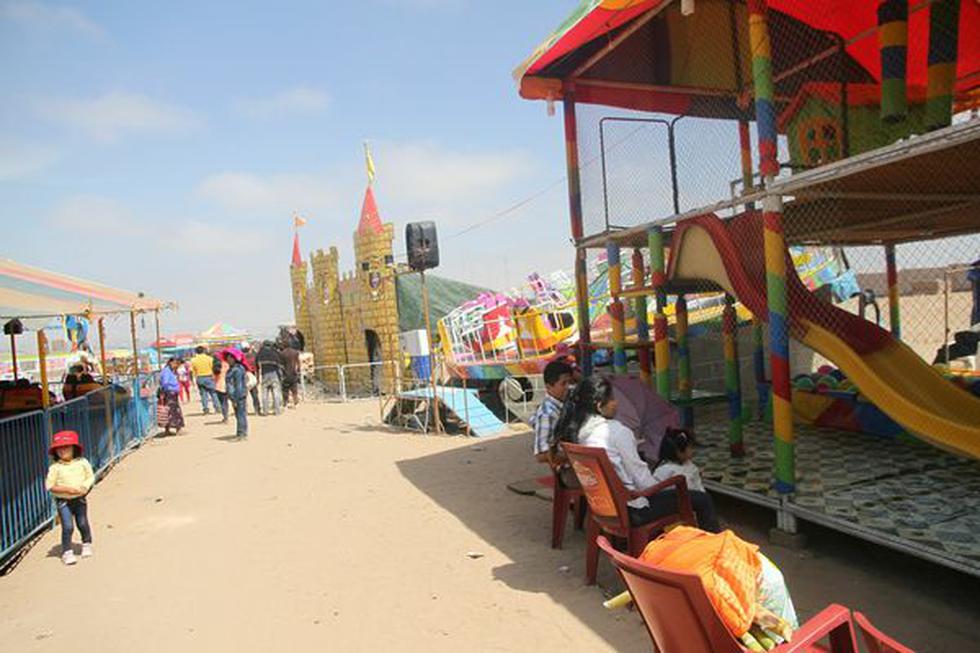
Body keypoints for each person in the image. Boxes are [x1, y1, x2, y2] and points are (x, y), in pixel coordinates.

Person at [553, 376, 720, 532]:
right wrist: (668, 482)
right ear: (599, 406)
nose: (616, 403)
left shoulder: (578, 434)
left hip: (602, 507)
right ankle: (716, 547)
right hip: (632, 510)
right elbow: (644, 483)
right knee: (701, 499)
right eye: (612, 399)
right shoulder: (617, 431)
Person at [651, 427, 719, 527]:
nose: (692, 451)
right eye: (690, 448)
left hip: (694, 500)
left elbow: (698, 484)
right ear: (678, 451)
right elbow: (657, 492)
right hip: (674, 503)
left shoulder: (690, 465)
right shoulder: (663, 470)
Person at [45, 430, 95, 565]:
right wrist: (67, 490)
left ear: (74, 448)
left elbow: (90, 476)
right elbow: (50, 486)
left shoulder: (82, 462)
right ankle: (67, 552)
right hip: (63, 502)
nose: (62, 450)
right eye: (59, 448)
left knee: (82, 523)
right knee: (67, 526)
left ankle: (86, 543)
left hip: (79, 499)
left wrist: (84, 487)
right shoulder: (55, 467)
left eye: (66, 447)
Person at [530, 359, 575, 486]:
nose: (569, 387)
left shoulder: (566, 404)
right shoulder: (547, 414)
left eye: (570, 382)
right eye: (563, 383)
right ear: (549, 387)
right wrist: (574, 456)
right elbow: (541, 454)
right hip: (567, 472)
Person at [224, 349, 249, 439]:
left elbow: (238, 385)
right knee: (239, 414)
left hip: (238, 395)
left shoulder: (237, 370)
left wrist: (235, 399)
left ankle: (241, 433)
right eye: (227, 358)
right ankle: (241, 432)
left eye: (230, 358)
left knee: (240, 414)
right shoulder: (233, 369)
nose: (228, 360)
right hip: (236, 395)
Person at [256, 340, 284, 416]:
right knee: (276, 393)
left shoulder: (260, 353)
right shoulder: (275, 353)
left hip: (264, 375)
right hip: (274, 375)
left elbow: (257, 367)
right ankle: (277, 411)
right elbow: (279, 366)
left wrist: (258, 378)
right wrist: (280, 376)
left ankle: (265, 412)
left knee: (264, 394)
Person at [159, 357, 185, 435]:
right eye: (175, 363)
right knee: (173, 411)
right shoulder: (167, 371)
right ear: (171, 363)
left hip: (171, 392)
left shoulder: (170, 371)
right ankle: (177, 429)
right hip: (170, 393)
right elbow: (165, 382)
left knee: (169, 411)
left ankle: (168, 430)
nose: (176, 365)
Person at [190, 346, 219, 415]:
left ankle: (206, 409)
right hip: (209, 377)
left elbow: (191, 371)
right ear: (204, 351)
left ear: (196, 352)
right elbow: (213, 368)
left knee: (203, 395)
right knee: (213, 393)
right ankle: (217, 408)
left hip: (199, 377)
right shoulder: (209, 358)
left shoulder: (193, 360)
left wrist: (192, 380)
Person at [242, 342, 262, 415]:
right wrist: (258, 378)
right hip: (252, 377)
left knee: (244, 395)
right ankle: (257, 410)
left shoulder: (240, 357)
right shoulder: (253, 356)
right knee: (254, 394)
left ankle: (244, 411)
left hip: (243, 377)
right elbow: (257, 368)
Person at [279, 344, 301, 408]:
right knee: (294, 389)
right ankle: (296, 403)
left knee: (285, 390)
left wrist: (282, 373)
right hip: (293, 373)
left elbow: (281, 365)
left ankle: (286, 403)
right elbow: (298, 363)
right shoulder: (295, 352)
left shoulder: (282, 353)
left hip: (285, 374)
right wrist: (298, 371)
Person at [213, 350, 230, 423]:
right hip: (226, 385)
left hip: (218, 386)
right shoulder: (226, 364)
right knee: (226, 402)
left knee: (222, 403)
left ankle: (225, 417)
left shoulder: (215, 367)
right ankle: (227, 415)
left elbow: (213, 378)